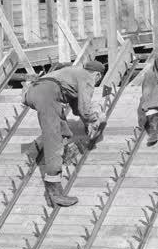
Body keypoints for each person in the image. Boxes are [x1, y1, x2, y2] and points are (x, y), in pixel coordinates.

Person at [23, 60, 106, 208]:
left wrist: (86, 122)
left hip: (35, 91)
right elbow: (85, 110)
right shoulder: (88, 77)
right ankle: (54, 191)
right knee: (53, 139)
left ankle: (51, 189)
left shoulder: (72, 74)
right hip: (46, 93)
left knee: (63, 132)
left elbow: (77, 108)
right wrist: (96, 118)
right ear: (98, 74)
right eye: (98, 79)